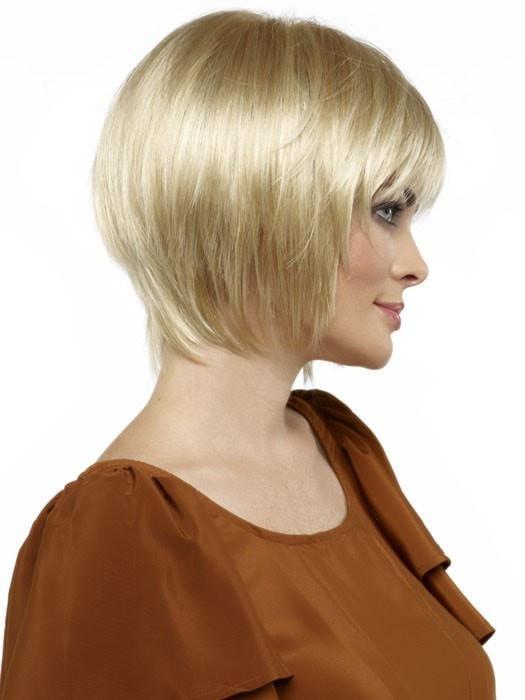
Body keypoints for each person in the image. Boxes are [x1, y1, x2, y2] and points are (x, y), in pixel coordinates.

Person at [0, 9, 496, 699]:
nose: (415, 264)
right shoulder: (118, 534)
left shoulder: (342, 451)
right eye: (387, 211)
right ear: (267, 208)